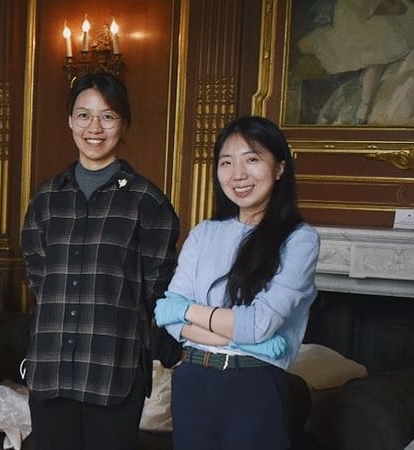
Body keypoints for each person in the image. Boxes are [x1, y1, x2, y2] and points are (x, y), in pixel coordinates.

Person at [21, 72, 181, 450]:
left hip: (115, 372)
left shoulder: (147, 201)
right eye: (83, 115)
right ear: (70, 121)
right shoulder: (46, 200)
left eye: (107, 116)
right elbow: (40, 282)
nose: (94, 128)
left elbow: (158, 290)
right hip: (51, 371)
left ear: (123, 123)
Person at [154, 116, 320, 450]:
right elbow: (167, 319)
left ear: (279, 168)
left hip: (253, 386)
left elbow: (258, 324)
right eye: (226, 162)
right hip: (192, 382)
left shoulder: (299, 240)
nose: (238, 174)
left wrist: (188, 311)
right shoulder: (204, 233)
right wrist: (247, 337)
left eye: (252, 159)